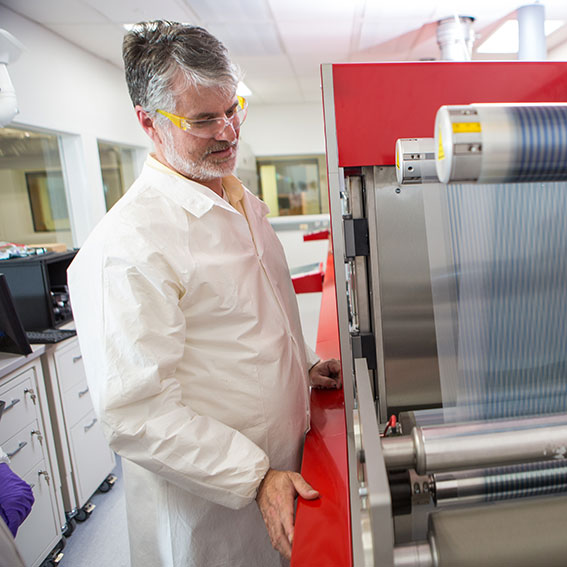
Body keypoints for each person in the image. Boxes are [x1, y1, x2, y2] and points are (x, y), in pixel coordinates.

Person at [67, 20, 340, 567]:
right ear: (149, 123)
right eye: (203, 120)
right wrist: (254, 475)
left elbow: (247, 321)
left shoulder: (235, 199)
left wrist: (300, 364)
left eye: (232, 108)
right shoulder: (128, 245)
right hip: (209, 508)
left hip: (285, 467)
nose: (229, 131)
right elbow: (134, 411)